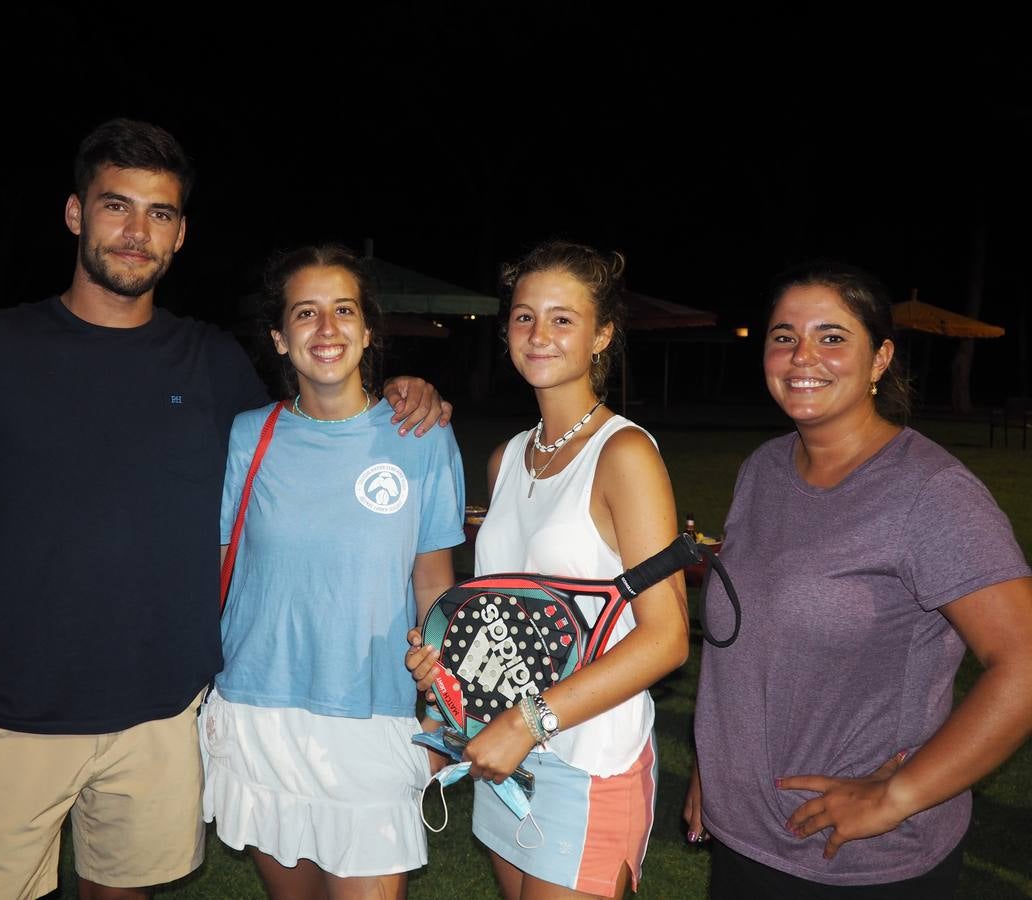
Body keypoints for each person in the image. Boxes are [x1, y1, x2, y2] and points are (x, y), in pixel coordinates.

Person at [0, 119, 451, 900]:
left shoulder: (211, 363)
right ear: (76, 214)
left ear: (181, 235)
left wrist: (404, 395)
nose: (136, 231)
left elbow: (315, 427)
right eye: (117, 206)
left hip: (159, 716)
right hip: (8, 704)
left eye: (160, 214)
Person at [684, 261, 1032, 898]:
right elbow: (749, 639)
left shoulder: (930, 494)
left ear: (880, 359)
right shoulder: (763, 468)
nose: (802, 356)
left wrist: (899, 795)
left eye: (833, 336)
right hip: (745, 835)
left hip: (854, 860)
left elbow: (1024, 661)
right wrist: (718, 763)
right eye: (783, 335)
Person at [407, 240, 690, 898]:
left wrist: (526, 721)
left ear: (602, 336)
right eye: (525, 316)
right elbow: (500, 615)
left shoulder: (624, 454)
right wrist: (443, 675)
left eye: (563, 319)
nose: (539, 334)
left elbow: (668, 636)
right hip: (509, 765)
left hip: (591, 762)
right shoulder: (507, 460)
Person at [199, 244, 465, 899]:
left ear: (368, 330)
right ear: (279, 339)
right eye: (306, 313)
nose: (326, 328)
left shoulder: (422, 437)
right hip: (260, 714)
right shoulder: (245, 436)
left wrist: (442, 722)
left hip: (374, 714)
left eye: (343, 310)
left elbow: (435, 586)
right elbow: (210, 573)